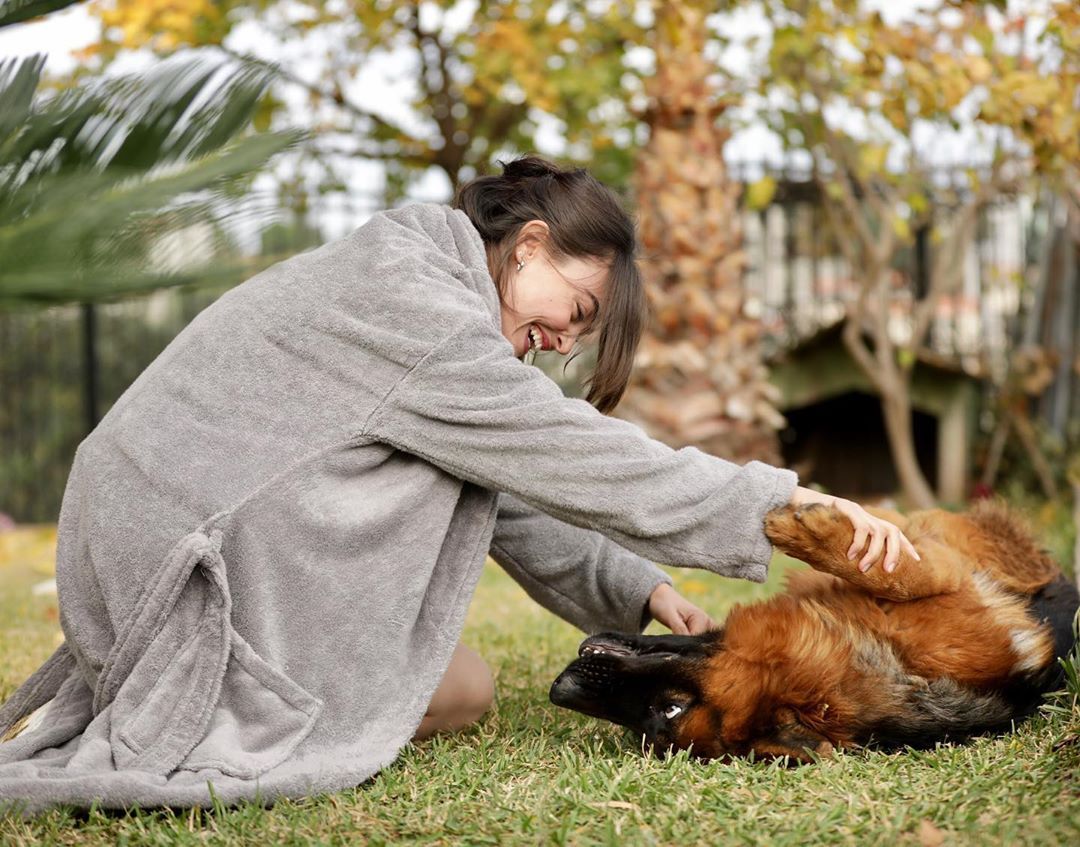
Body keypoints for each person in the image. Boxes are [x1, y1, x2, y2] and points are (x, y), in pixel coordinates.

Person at [0, 155, 917, 812]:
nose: (565, 338)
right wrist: (782, 506)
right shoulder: (422, 312)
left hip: (142, 536)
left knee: (462, 685)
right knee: (438, 694)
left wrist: (640, 583)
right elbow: (566, 449)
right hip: (171, 564)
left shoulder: (406, 278)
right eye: (578, 310)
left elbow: (503, 477)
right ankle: (199, 689)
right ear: (528, 247)